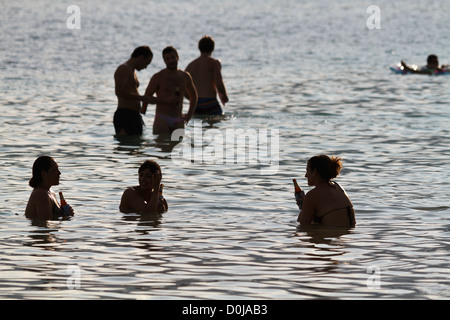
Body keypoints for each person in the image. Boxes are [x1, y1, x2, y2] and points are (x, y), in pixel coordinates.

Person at [114, 46, 177, 136]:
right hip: (124, 114)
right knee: (125, 147)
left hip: (135, 115)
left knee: (137, 147)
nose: (146, 67)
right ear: (141, 58)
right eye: (146, 63)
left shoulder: (132, 71)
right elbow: (119, 92)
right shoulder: (123, 69)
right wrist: (141, 98)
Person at [144, 46, 198, 134]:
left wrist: (189, 115)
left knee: (178, 147)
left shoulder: (185, 76)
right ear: (164, 60)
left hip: (178, 119)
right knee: (163, 146)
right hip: (162, 119)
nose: (171, 61)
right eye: (167, 59)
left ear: (177, 57)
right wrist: (166, 100)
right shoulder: (158, 77)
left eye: (173, 57)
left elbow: (194, 96)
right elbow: (146, 98)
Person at [297, 155, 355, 227]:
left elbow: (303, 225)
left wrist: (303, 207)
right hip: (348, 234)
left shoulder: (312, 195)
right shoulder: (338, 187)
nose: (305, 175)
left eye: (307, 171)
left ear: (314, 172)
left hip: (331, 234)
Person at [185, 36, 229, 115]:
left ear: (199, 48)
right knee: (216, 125)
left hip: (196, 105)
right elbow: (219, 84)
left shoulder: (190, 66)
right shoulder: (214, 63)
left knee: (197, 126)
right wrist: (224, 96)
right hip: (210, 102)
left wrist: (193, 100)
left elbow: (183, 87)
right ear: (212, 48)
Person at [25, 156, 74, 220]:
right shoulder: (41, 194)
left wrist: (65, 214)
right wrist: (64, 220)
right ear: (44, 174)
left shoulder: (50, 192)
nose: (59, 173)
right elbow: (45, 224)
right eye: (54, 170)